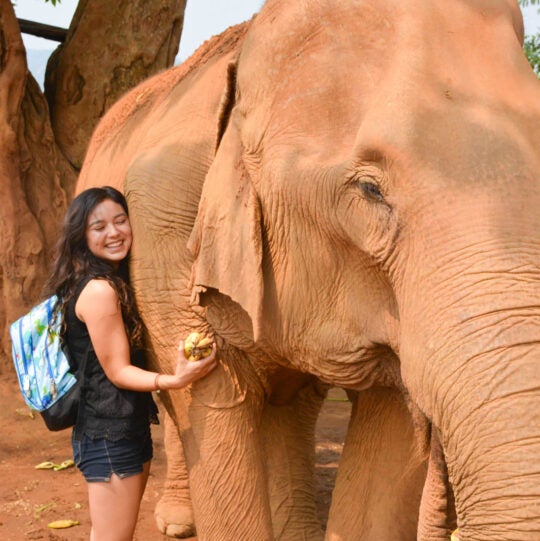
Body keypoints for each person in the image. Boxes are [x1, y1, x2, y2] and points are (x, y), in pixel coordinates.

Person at [44, 186, 217, 541]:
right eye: (99, 227)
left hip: (126, 427)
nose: (114, 233)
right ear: (82, 236)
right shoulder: (99, 291)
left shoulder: (112, 281)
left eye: (120, 221)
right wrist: (174, 380)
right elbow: (117, 371)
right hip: (108, 435)